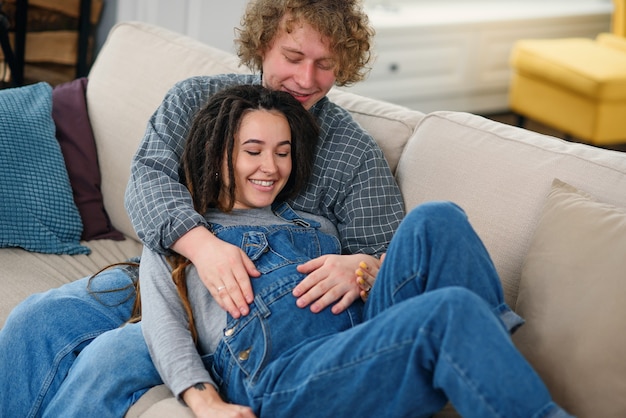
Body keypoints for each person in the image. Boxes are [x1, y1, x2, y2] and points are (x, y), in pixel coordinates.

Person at [0, 1, 404, 416]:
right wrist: (205, 249)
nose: (305, 79)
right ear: (263, 44)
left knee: (112, 359)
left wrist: (361, 268)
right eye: (293, 57)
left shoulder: (352, 153)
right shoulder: (195, 100)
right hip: (170, 273)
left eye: (325, 64)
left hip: (250, 311)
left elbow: (394, 255)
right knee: (36, 320)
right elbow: (148, 183)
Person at [140, 85, 574, 418]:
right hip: (280, 375)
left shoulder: (314, 223)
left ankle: (487, 368)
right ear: (218, 156)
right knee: (451, 309)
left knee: (437, 219)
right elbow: (165, 332)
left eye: (282, 152)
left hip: (362, 343)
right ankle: (498, 383)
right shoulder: (181, 241)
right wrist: (207, 405)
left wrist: (367, 265)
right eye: (252, 151)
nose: (270, 167)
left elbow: (381, 284)